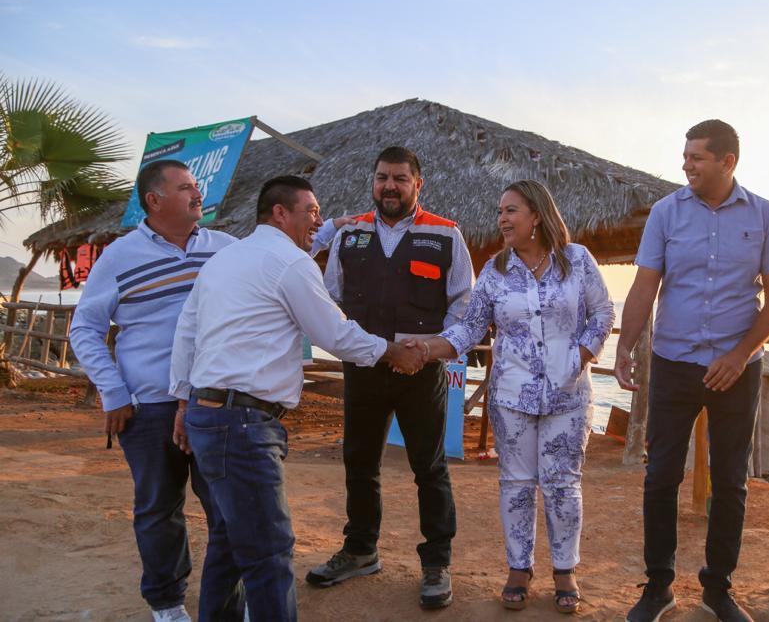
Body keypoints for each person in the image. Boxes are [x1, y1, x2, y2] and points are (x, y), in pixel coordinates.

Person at [168, 175, 425, 622]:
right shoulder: (290, 262)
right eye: (312, 211)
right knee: (270, 549)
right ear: (280, 213)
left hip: (210, 418)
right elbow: (335, 333)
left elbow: (187, 332)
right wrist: (393, 351)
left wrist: (184, 403)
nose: (319, 221)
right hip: (242, 424)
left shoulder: (224, 260)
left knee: (230, 541)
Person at [616, 120, 769, 622]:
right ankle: (658, 588)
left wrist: (740, 355)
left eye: (696, 157)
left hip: (738, 370)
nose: (686, 165)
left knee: (731, 481)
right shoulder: (666, 213)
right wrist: (625, 346)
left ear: (727, 161)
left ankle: (718, 590)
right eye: (686, 155)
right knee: (660, 476)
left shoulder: (764, 215)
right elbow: (645, 286)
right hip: (674, 365)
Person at [413, 179, 614, 614]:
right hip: (511, 396)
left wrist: (579, 357)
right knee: (516, 484)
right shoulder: (494, 271)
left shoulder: (577, 261)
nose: (501, 219)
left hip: (568, 395)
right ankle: (519, 568)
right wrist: (428, 349)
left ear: (536, 215)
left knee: (562, 484)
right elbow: (470, 328)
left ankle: (565, 569)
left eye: (511, 210)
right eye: (500, 212)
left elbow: (602, 312)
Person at [305, 146, 473, 609]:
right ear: (373, 182)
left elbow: (464, 305)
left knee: (429, 468)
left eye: (400, 178)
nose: (390, 187)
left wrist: (428, 351)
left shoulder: (446, 234)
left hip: (422, 371)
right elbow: (330, 298)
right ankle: (361, 550)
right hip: (365, 368)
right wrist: (363, 347)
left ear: (418, 184)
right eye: (382, 178)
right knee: (359, 462)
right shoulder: (350, 233)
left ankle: (436, 563)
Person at [69, 159, 237, 622]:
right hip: (149, 409)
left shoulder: (226, 249)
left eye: (196, 186)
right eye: (186, 188)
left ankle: (229, 603)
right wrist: (113, 392)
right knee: (159, 509)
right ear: (154, 200)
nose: (197, 194)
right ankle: (166, 603)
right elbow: (84, 328)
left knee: (228, 508)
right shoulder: (119, 256)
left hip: (214, 402)